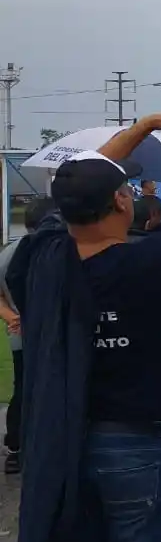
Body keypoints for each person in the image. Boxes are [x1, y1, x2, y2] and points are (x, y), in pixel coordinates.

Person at [10, 113, 161, 542]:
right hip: (136, 448)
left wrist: (140, 129)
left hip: (62, 444)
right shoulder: (150, 261)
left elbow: (75, 189)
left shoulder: (43, 256)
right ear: (122, 203)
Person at [1, 198, 55, 475]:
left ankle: (18, 449)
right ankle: (20, 447)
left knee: (23, 390)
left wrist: (11, 316)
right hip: (39, 337)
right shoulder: (51, 251)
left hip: (22, 336)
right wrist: (13, 316)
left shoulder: (10, 251)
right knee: (34, 391)